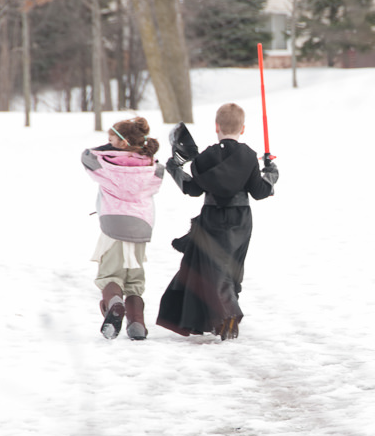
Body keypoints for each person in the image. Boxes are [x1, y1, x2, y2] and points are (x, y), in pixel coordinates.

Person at [157, 103, 279, 340]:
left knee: (214, 268)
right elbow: (260, 192)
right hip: (241, 219)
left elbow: (191, 188)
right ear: (242, 129)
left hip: (212, 216)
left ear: (216, 127)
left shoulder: (205, 158)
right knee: (232, 268)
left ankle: (228, 315)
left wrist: (174, 168)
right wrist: (271, 172)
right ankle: (227, 318)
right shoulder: (248, 157)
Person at [82, 117, 164, 340]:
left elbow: (87, 156)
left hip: (113, 225)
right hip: (141, 226)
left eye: (110, 139)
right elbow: (161, 172)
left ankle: (114, 304)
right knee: (134, 280)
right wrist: (130, 150)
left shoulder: (107, 164)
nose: (106, 143)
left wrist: (111, 149)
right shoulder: (150, 166)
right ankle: (137, 323)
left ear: (121, 142)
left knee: (110, 275)